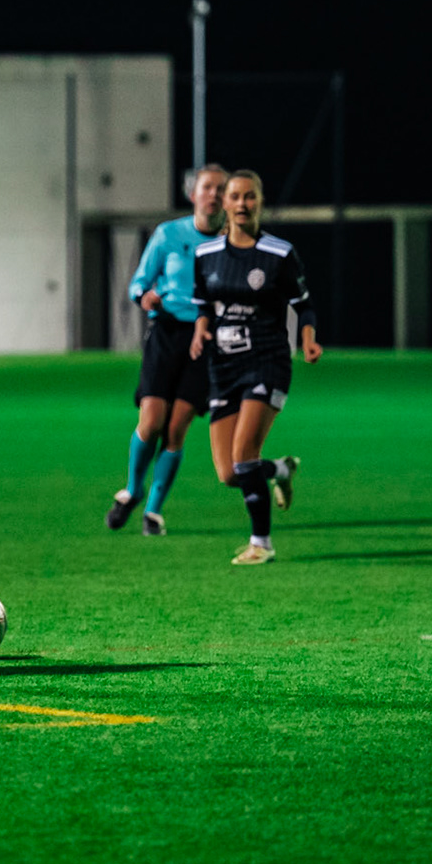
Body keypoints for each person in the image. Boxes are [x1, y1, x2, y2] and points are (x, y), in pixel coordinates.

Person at [189, 171, 322, 565]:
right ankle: (280, 469)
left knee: (245, 454)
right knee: (229, 473)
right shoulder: (205, 256)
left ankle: (261, 542)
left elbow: (304, 304)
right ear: (225, 204)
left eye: (251, 197)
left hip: (267, 361)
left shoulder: (279, 254)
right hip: (223, 366)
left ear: (259, 203)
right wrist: (200, 332)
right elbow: (202, 305)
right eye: (236, 197)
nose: (243, 204)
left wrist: (309, 338)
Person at [109, 163, 227, 536]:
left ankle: (154, 513)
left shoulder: (231, 241)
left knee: (177, 429)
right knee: (151, 422)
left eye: (221, 189)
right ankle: (132, 489)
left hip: (206, 338)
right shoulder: (168, 234)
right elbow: (139, 283)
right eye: (207, 187)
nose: (214, 195)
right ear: (193, 194)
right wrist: (144, 297)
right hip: (167, 333)